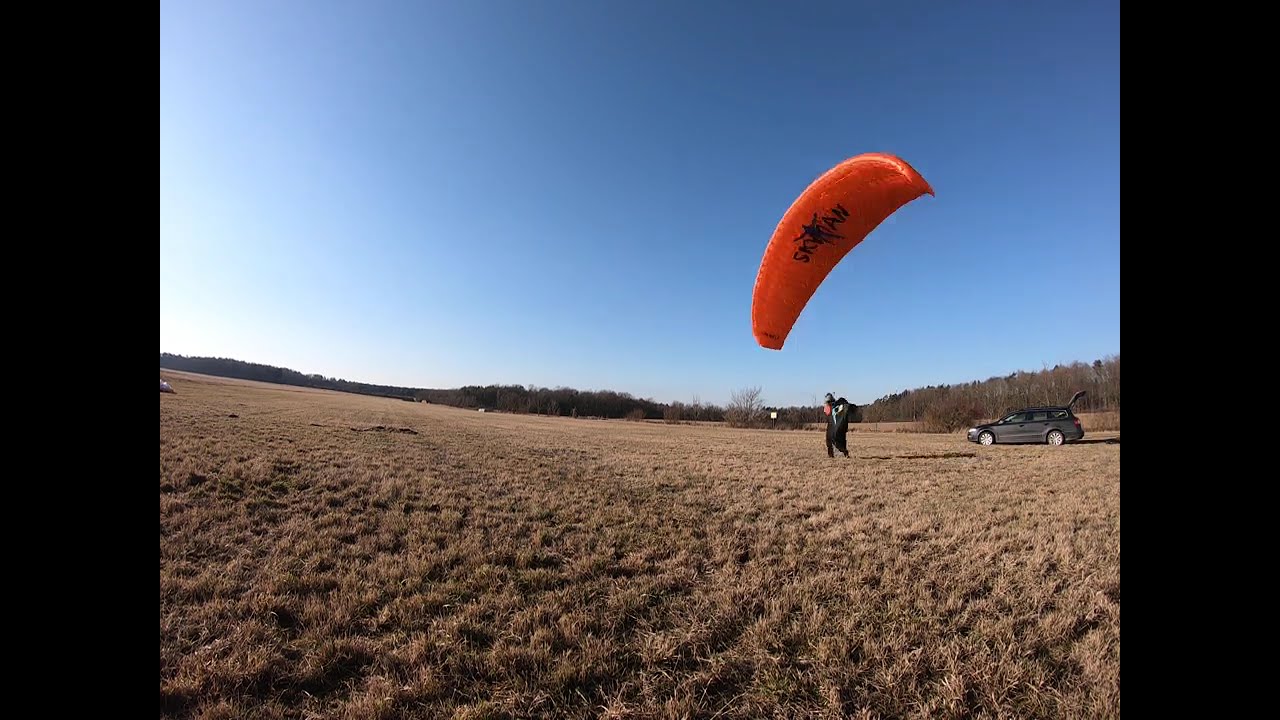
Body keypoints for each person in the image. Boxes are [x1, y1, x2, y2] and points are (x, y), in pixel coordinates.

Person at [823, 392, 853, 457]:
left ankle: (841, 453)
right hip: (835, 426)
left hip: (837, 427)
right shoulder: (833, 408)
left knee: (836, 440)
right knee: (831, 440)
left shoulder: (837, 408)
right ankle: (835, 454)